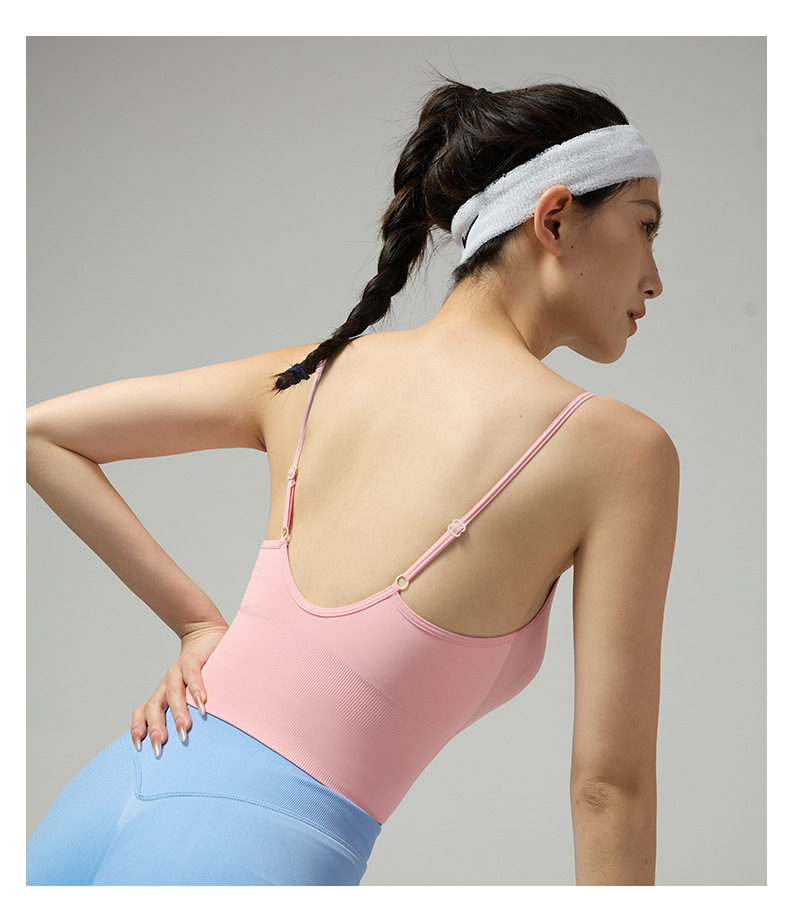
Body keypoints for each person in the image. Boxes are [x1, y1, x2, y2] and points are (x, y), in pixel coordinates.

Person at [26, 78, 679, 886]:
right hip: (245, 856)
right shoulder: (620, 450)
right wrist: (196, 625)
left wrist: (198, 626)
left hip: (104, 799)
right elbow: (610, 789)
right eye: (645, 227)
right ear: (553, 219)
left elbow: (42, 434)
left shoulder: (311, 377)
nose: (656, 276)